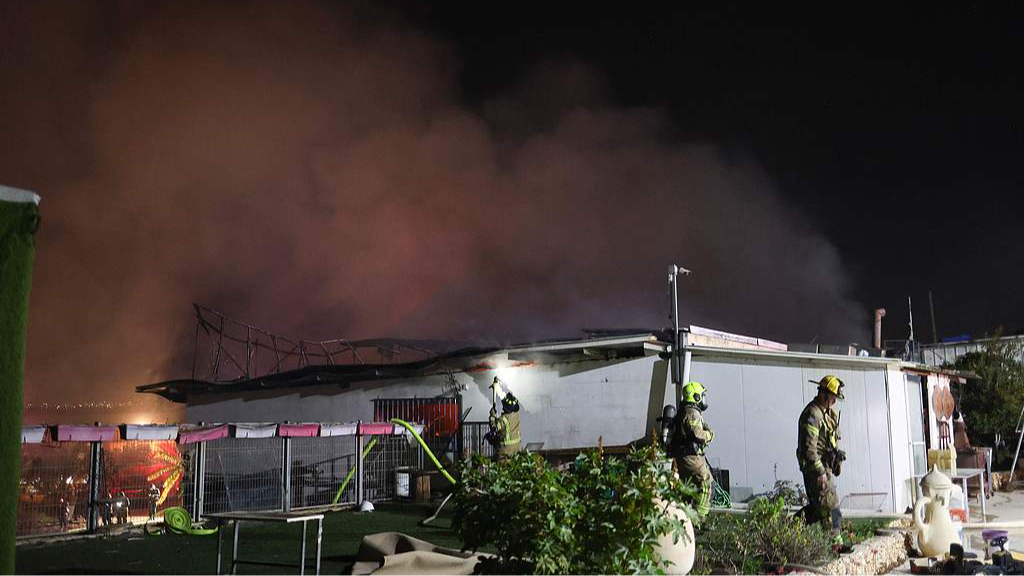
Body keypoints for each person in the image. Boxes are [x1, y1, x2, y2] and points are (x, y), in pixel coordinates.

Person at [797, 375, 846, 538]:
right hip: (816, 469)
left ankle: (788, 530)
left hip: (826, 468)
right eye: (833, 398)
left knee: (818, 509)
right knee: (831, 506)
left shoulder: (826, 413)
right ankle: (835, 542)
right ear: (824, 394)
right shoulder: (813, 414)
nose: (834, 402)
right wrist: (820, 472)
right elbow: (809, 449)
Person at [670, 381, 715, 519]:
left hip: (683, 455)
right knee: (706, 482)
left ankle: (685, 516)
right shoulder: (692, 413)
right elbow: (698, 435)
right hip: (690, 456)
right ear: (696, 397)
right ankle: (698, 519)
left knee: (688, 488)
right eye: (702, 395)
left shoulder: (685, 411)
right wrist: (709, 435)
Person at [488, 378, 522, 458]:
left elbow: (494, 428)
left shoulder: (503, 419)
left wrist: (492, 416)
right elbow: (505, 400)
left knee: (501, 465)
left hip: (505, 449)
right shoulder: (516, 414)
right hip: (516, 448)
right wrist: (497, 387)